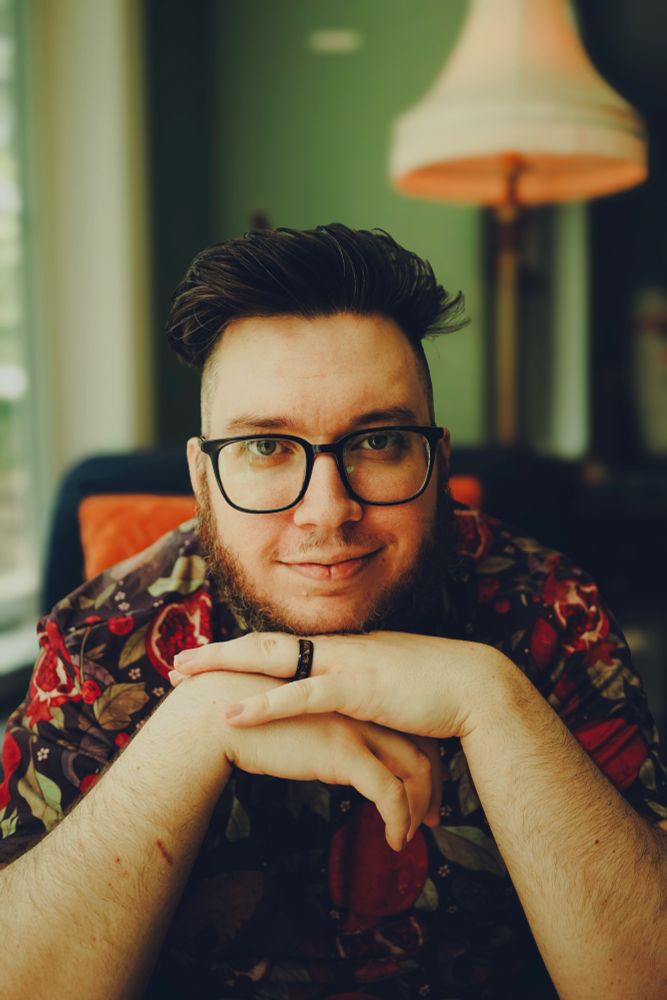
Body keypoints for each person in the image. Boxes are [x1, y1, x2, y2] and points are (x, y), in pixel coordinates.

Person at [0, 224, 666, 1000]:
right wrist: (194, 728)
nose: (327, 511)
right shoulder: (102, 635)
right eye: (266, 446)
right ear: (202, 478)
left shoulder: (548, 608)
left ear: (437, 461)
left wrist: (490, 697)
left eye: (377, 441)